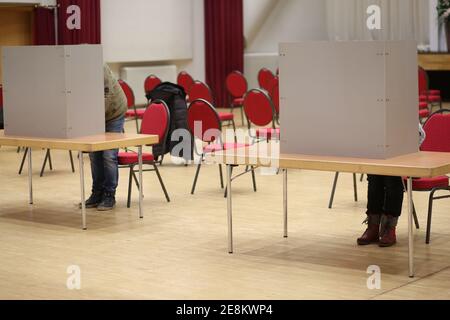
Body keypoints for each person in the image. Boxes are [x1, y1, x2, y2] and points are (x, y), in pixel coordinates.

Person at [357, 124, 427, 247]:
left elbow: (421, 135)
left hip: (401, 159)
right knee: (374, 178)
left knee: (392, 178)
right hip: (378, 156)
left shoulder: (402, 111)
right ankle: (373, 226)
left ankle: (389, 228)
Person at [84, 64, 128, 211]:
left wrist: (94, 119)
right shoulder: (76, 69)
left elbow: (106, 96)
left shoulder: (100, 67)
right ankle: (97, 192)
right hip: (95, 115)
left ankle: (109, 194)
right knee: (94, 153)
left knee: (109, 154)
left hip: (114, 112)